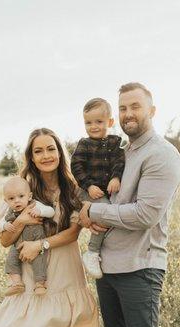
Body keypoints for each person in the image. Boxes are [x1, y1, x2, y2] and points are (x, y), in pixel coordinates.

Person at [79, 82, 180, 327]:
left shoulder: (162, 154)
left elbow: (144, 215)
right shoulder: (122, 152)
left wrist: (92, 211)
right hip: (108, 265)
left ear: (151, 111)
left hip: (140, 265)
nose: (128, 114)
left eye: (135, 106)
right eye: (122, 108)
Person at [0, 128, 100, 327]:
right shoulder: (21, 187)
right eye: (38, 150)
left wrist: (41, 244)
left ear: (59, 152)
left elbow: (73, 233)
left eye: (51, 148)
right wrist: (22, 222)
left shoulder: (72, 186)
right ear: (31, 157)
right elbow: (4, 239)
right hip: (36, 272)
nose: (46, 155)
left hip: (64, 266)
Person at [71, 97, 125, 278]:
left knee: (109, 215)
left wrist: (116, 177)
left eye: (99, 122)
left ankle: (102, 249)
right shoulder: (84, 144)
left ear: (110, 122)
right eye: (88, 122)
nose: (93, 126)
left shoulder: (115, 142)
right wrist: (89, 185)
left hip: (104, 190)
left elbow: (119, 161)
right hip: (88, 189)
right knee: (105, 212)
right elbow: (76, 167)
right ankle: (92, 252)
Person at [0, 176, 55, 296]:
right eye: (11, 198)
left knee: (39, 261)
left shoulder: (35, 205)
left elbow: (51, 211)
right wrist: (5, 226)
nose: (16, 201)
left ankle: (40, 284)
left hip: (35, 240)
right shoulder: (9, 211)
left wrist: (40, 212)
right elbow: (1, 222)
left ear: (29, 196)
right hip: (17, 243)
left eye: (21, 196)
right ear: (6, 201)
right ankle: (17, 283)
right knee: (10, 260)